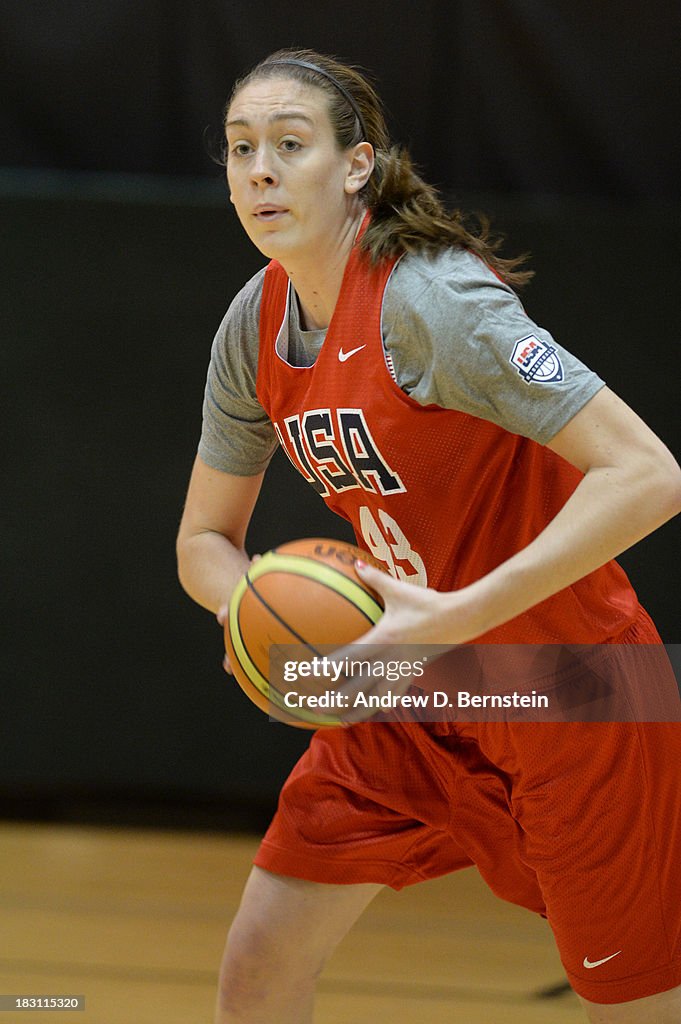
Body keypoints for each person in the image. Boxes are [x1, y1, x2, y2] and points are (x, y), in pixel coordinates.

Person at [176, 48, 681, 1024]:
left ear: (357, 164)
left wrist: (449, 617)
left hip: (571, 687)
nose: (259, 171)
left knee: (634, 1003)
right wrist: (265, 629)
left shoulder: (431, 302)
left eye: (289, 144)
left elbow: (650, 474)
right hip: (407, 690)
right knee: (258, 964)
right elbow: (205, 537)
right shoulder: (256, 322)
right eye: (241, 149)